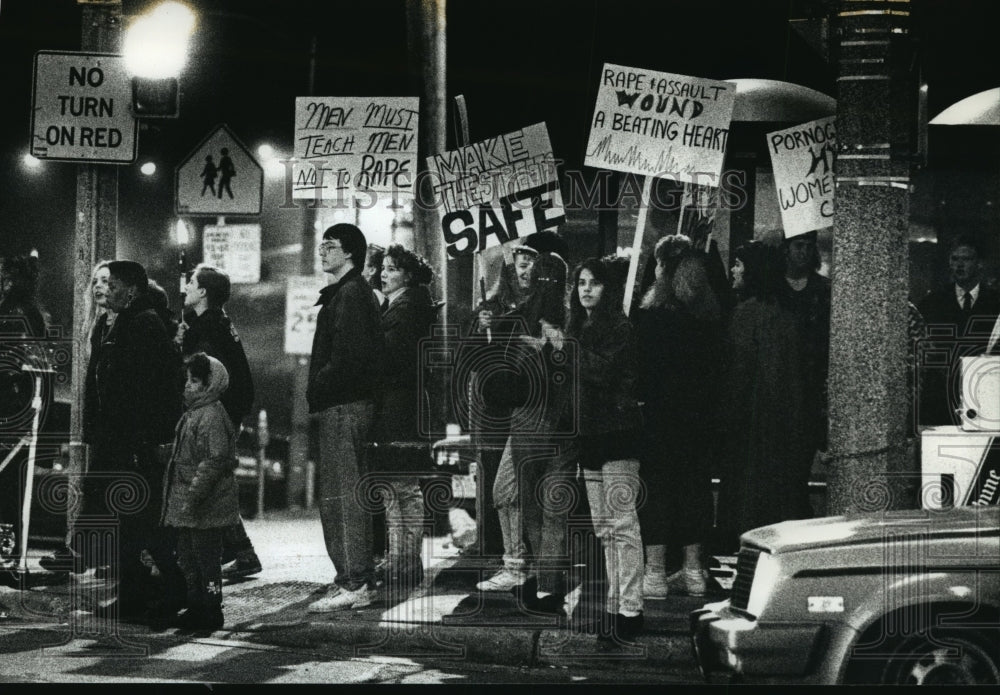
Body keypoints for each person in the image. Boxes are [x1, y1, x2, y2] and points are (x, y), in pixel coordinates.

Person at [90, 260, 185, 624]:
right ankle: (133, 594)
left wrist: (138, 439)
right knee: (127, 523)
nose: (106, 290)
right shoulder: (118, 323)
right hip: (118, 438)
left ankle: (170, 588)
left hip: (132, 441)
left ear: (130, 290)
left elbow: (145, 389)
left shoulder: (143, 324)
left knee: (140, 521)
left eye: (112, 284)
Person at [634, 235, 722, 599]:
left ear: (663, 269)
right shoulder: (709, 319)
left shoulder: (652, 319)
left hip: (658, 421)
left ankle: (654, 574)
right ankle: (693, 572)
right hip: (698, 422)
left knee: (657, 492)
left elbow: (639, 374)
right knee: (696, 492)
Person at [305, 224, 385, 613]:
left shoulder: (351, 294)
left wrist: (321, 383)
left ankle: (355, 581)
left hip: (345, 405)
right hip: (345, 405)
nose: (322, 251)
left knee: (342, 499)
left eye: (330, 246)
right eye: (321, 244)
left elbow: (348, 357)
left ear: (350, 253)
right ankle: (353, 579)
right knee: (341, 496)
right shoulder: (349, 292)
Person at [716, 242, 816, 548]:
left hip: (750, 428)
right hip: (784, 428)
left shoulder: (746, 314)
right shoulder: (787, 313)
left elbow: (738, 376)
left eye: (738, 264)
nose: (733, 270)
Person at [567, 257, 645, 643]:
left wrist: (562, 347)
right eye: (581, 282)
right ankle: (617, 605)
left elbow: (602, 371)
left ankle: (631, 607)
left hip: (618, 432)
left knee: (622, 523)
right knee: (604, 528)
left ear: (608, 288)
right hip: (591, 434)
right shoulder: (579, 325)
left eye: (594, 282)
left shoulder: (620, 326)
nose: (586, 289)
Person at [176, 264, 261, 580]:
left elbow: (201, 377)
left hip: (216, 414)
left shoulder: (207, 329)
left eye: (192, 283)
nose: (186, 286)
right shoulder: (218, 323)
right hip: (229, 412)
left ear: (203, 292)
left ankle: (239, 552)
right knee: (213, 483)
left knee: (209, 483)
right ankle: (240, 552)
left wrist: (181, 344)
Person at [39, 261, 117, 575]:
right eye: (95, 281)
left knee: (101, 487)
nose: (99, 286)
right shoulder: (96, 326)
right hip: (101, 422)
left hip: (115, 422)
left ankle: (85, 554)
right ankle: (96, 556)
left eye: (106, 281)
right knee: (101, 488)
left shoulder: (121, 325)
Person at [370, 245, 436, 596]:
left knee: (400, 488)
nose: (384, 274)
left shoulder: (407, 308)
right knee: (399, 489)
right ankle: (402, 560)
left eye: (393, 269)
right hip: (402, 406)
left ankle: (403, 562)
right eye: (383, 267)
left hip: (400, 408)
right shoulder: (402, 305)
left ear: (408, 275)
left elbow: (389, 357)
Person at [161, 352, 239, 634]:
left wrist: (193, 496)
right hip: (190, 506)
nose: (187, 385)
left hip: (206, 506)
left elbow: (214, 461)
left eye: (195, 381)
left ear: (210, 385)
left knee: (207, 562)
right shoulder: (194, 415)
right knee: (188, 557)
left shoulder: (211, 416)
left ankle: (210, 607)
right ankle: (196, 605)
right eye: (188, 380)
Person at [917, 235, 1000, 426]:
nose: (959, 265)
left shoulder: (996, 303)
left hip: (985, 396)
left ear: (979, 264)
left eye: (967, 259)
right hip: (941, 398)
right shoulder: (932, 303)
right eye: (955, 259)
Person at [0, 254, 49, 580]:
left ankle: (7, 553)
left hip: (11, 409)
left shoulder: (17, 314)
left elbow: (31, 366)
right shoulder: (20, 311)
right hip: (12, 406)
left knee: (7, 485)